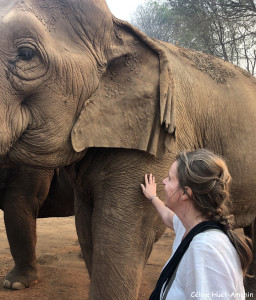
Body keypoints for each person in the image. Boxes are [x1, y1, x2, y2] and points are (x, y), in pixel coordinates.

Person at [141, 149, 252, 300]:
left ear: (186, 193)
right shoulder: (190, 226)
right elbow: (168, 217)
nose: (163, 181)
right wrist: (152, 196)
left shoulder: (205, 250)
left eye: (170, 178)